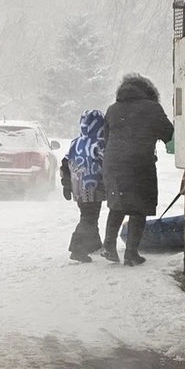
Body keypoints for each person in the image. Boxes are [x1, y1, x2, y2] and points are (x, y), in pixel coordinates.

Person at [100, 74, 174, 266]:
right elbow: (168, 134)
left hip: (112, 164)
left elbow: (106, 139)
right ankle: (131, 254)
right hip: (139, 164)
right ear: (149, 92)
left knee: (117, 203)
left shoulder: (112, 109)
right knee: (138, 207)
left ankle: (108, 246)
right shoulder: (152, 108)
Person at [60, 109, 106, 263]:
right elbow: (106, 163)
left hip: (78, 188)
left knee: (87, 215)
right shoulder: (99, 144)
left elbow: (65, 164)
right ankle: (77, 249)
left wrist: (66, 185)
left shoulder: (76, 142)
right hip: (93, 187)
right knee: (89, 218)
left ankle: (94, 246)